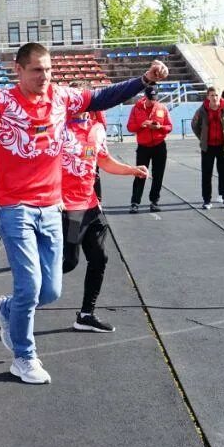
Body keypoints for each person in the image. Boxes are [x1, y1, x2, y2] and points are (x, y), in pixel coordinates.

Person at [0, 42, 168, 385]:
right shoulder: (2, 102)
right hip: (15, 207)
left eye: (49, 69)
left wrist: (143, 79)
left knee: (50, 291)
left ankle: (8, 310)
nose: (44, 76)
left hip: (53, 206)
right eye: (37, 70)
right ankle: (24, 357)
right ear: (19, 70)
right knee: (29, 285)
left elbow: (103, 97)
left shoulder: (62, 98)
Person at [61, 110, 148, 333]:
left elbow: (105, 161)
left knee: (100, 258)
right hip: (69, 211)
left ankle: (86, 314)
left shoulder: (95, 130)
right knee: (68, 263)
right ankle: (19, 301)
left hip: (91, 207)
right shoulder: (58, 129)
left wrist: (132, 170)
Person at [126, 85, 173, 213]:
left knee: (158, 175)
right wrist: (141, 125)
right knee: (140, 174)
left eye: (155, 98)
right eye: (151, 98)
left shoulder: (162, 108)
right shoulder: (136, 109)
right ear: (145, 97)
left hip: (159, 145)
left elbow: (169, 126)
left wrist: (160, 127)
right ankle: (135, 202)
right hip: (143, 147)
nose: (153, 101)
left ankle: (154, 201)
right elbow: (130, 127)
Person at [191, 86, 224, 210]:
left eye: (216, 95)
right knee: (206, 174)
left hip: (223, 147)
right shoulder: (202, 110)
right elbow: (195, 125)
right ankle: (207, 200)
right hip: (208, 147)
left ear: (219, 96)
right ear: (208, 97)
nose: (214, 97)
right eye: (212, 95)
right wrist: (202, 138)